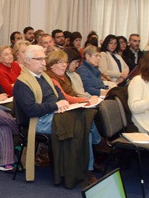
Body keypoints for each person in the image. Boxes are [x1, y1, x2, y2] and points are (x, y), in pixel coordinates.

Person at [13, 45, 96, 188]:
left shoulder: (45, 77)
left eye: (44, 59)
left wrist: (62, 102)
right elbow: (32, 110)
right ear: (27, 61)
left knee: (84, 121)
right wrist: (56, 106)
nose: (44, 63)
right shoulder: (22, 83)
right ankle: (74, 173)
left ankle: (84, 169)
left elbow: (60, 94)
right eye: (39, 59)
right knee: (76, 127)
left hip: (54, 114)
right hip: (37, 121)